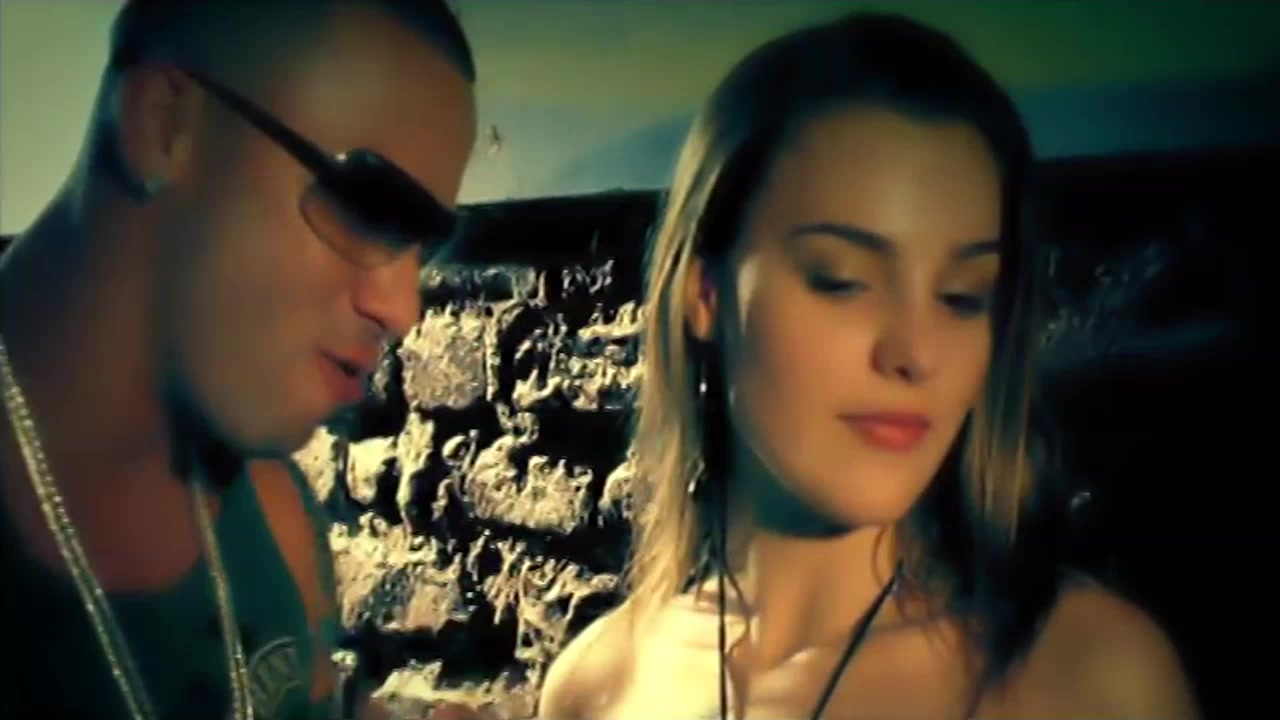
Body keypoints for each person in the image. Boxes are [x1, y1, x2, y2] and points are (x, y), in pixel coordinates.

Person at [537, 12, 1201, 720]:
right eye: (842, 280)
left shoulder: (1092, 677)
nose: (917, 353)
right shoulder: (595, 688)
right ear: (706, 295)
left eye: (963, 295)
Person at [0, 1, 476, 719]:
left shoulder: (276, 516)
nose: (402, 307)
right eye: (368, 207)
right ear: (163, 124)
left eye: (425, 246)